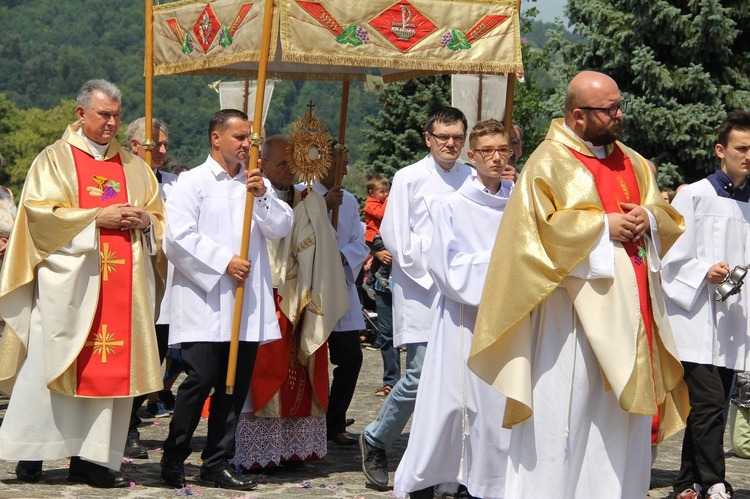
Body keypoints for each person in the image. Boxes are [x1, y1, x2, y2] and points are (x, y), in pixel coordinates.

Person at [468, 71, 689, 498]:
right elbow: (533, 236)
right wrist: (604, 226)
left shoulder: (634, 162)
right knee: (566, 421)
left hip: (633, 316)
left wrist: (649, 218)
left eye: (619, 105)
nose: (619, 114)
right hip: (570, 320)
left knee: (618, 425)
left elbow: (664, 213)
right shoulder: (547, 163)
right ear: (579, 115)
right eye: (610, 109)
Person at [0, 79, 166, 488]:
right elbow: (38, 217)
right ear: (81, 114)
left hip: (122, 291)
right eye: (103, 115)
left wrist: (146, 222)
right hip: (70, 287)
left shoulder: (135, 166)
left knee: (110, 377)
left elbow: (158, 217)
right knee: (48, 366)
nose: (111, 123)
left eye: (115, 115)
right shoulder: (53, 160)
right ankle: (32, 453)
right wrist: (96, 220)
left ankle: (93, 461)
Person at [160, 109, 292, 491]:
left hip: (244, 302)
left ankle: (216, 461)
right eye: (239, 138)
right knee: (200, 380)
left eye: (250, 138)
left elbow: (280, 227)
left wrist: (264, 194)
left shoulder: (255, 183)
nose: (247, 145)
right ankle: (174, 454)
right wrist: (224, 261)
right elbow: (177, 237)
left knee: (234, 383)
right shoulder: (192, 182)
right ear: (216, 138)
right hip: (205, 298)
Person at [394, 119, 513, 499]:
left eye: (503, 150)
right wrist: (501, 264)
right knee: (455, 403)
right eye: (488, 151)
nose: (496, 158)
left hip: (508, 318)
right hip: (464, 316)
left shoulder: (519, 203)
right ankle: (441, 476)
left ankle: (487, 479)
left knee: (497, 405)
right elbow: (446, 268)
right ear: (472, 156)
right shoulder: (452, 205)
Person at [359, 106, 475, 489]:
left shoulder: (471, 178)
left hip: (463, 292)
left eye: (457, 137)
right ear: (428, 138)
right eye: (443, 137)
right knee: (421, 374)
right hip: (424, 290)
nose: (450, 144)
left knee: (461, 379)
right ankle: (376, 437)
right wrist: (435, 274)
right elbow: (395, 236)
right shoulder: (409, 178)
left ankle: (449, 468)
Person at [232, 135, 348, 469]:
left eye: (293, 163)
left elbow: (324, 244)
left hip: (305, 298)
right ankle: (260, 452)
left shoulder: (310, 199)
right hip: (266, 296)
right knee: (265, 371)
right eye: (282, 163)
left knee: (302, 372)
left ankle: (294, 449)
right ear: (263, 164)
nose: (289, 170)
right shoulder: (249, 193)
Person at [661, 110, 750, 499]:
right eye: (741, 148)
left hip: (734, 321)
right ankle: (715, 480)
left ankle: (686, 483)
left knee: (709, 407)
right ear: (720, 150)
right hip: (696, 317)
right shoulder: (693, 194)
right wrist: (703, 271)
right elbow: (670, 257)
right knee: (711, 401)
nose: (748, 155)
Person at [123, 117, 176, 459]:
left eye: (165, 144)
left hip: (167, 286)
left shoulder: (175, 183)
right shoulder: (121, 180)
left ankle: (130, 417)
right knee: (128, 356)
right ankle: (125, 427)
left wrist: (153, 222)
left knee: (154, 357)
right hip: (128, 283)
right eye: (155, 143)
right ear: (134, 146)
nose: (162, 150)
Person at [309, 143, 370, 446]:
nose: (344, 171)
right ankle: (307, 420)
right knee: (309, 358)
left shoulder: (350, 200)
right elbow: (298, 233)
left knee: (351, 358)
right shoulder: (303, 193)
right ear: (323, 164)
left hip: (342, 290)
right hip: (312, 290)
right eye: (340, 164)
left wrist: (343, 257)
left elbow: (361, 241)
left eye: (346, 164)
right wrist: (323, 205)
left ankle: (334, 421)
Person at [362, 173, 391, 303]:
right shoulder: (370, 204)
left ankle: (370, 282)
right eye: (382, 192)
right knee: (390, 250)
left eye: (387, 191)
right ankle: (383, 274)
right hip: (374, 237)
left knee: (378, 260)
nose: (385, 194)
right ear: (372, 193)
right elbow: (380, 214)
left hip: (379, 235)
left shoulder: (380, 202)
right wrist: (388, 202)